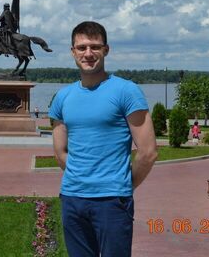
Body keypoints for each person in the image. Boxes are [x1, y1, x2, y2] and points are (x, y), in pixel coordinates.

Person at [49, 21, 158, 257]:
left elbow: (148, 152)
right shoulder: (62, 97)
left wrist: (123, 185)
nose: (88, 53)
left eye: (95, 47)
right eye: (81, 47)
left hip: (112, 201)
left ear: (106, 50)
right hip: (72, 199)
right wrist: (81, 177)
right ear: (73, 52)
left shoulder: (126, 91)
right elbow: (60, 152)